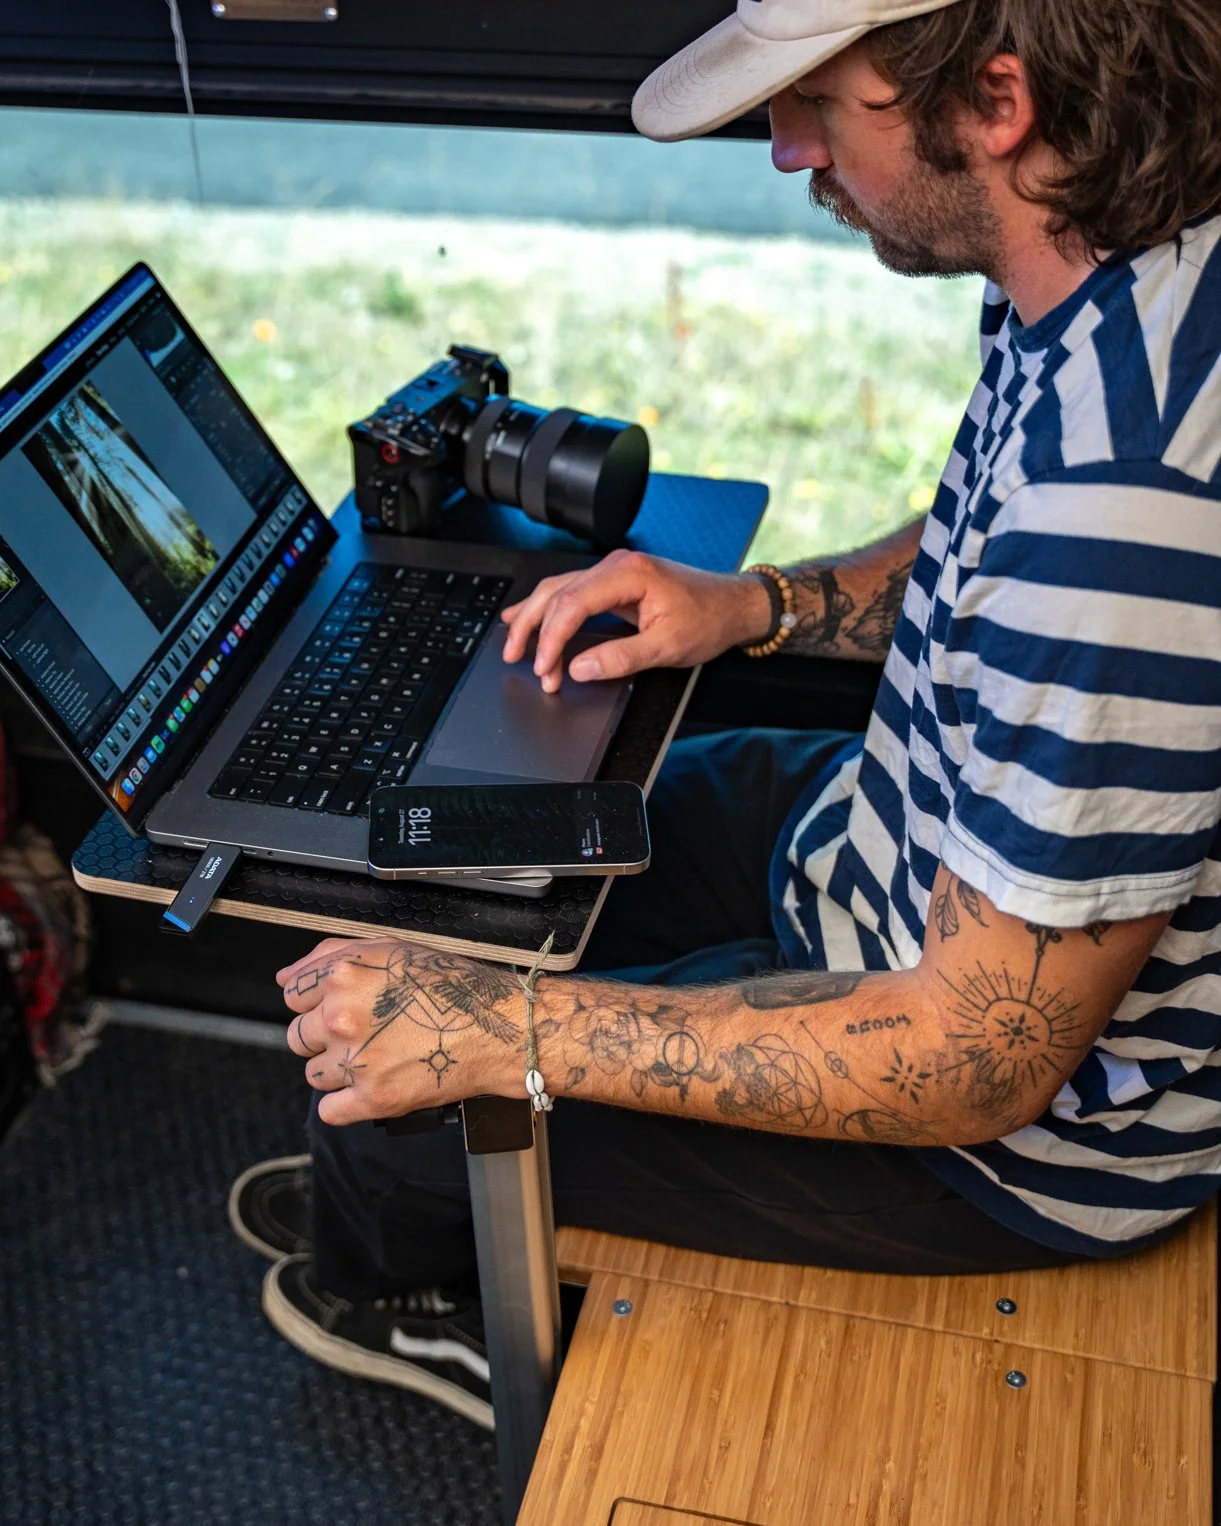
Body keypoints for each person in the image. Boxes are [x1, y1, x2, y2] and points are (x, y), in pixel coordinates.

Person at [227, 0, 1221, 1430]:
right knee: (451, 892)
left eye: (819, 98)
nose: (785, 148)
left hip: (1013, 1134)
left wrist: (515, 1032)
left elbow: (974, 1057)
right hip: (883, 838)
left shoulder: (1128, 512)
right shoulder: (1097, 250)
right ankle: (407, 1161)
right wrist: (760, 605)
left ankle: (387, 1293)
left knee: (424, 1108)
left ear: (998, 102)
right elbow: (980, 538)